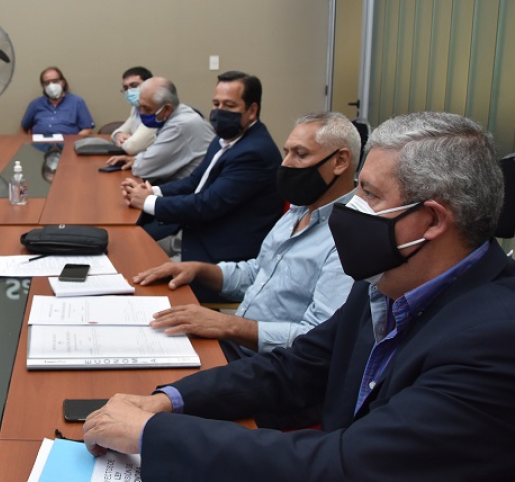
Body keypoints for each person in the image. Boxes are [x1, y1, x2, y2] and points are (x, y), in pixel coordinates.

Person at [83, 112, 515, 481]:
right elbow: (292, 368)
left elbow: (349, 463)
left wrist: (151, 434)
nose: (351, 206)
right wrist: (168, 400)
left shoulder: (494, 340)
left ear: (432, 221)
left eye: (369, 194)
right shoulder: (386, 284)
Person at [133, 112, 359, 359]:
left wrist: (227, 325)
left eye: (300, 155)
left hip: (273, 365)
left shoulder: (349, 238)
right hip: (237, 344)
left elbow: (320, 338)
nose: (285, 164)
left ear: (340, 161)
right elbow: (256, 274)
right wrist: (199, 270)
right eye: (287, 152)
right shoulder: (299, 210)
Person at [122, 71, 283, 288]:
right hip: (196, 233)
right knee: (126, 250)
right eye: (216, 104)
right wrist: (152, 192)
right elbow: (194, 182)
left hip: (220, 258)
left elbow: (207, 204)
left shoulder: (255, 153)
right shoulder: (224, 139)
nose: (219, 111)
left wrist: (148, 202)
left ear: (252, 110)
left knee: (134, 272)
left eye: (229, 105)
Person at [105, 77, 214, 184]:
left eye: (147, 108)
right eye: (140, 107)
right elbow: (153, 154)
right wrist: (134, 160)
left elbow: (143, 169)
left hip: (191, 191)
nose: (142, 113)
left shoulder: (179, 126)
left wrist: (137, 162)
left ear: (167, 109)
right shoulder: (174, 113)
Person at [20, 66, 94, 136]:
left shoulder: (77, 102)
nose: (51, 85)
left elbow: (87, 129)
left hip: (68, 143)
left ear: (63, 83)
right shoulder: (35, 104)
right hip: (40, 144)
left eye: (55, 81)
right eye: (47, 83)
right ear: (43, 86)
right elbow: (23, 128)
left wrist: (73, 142)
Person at [110, 66, 156, 154]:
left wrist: (121, 142)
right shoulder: (136, 108)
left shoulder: (157, 108)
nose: (129, 91)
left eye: (134, 85)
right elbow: (118, 132)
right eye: (125, 88)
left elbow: (132, 147)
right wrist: (118, 135)